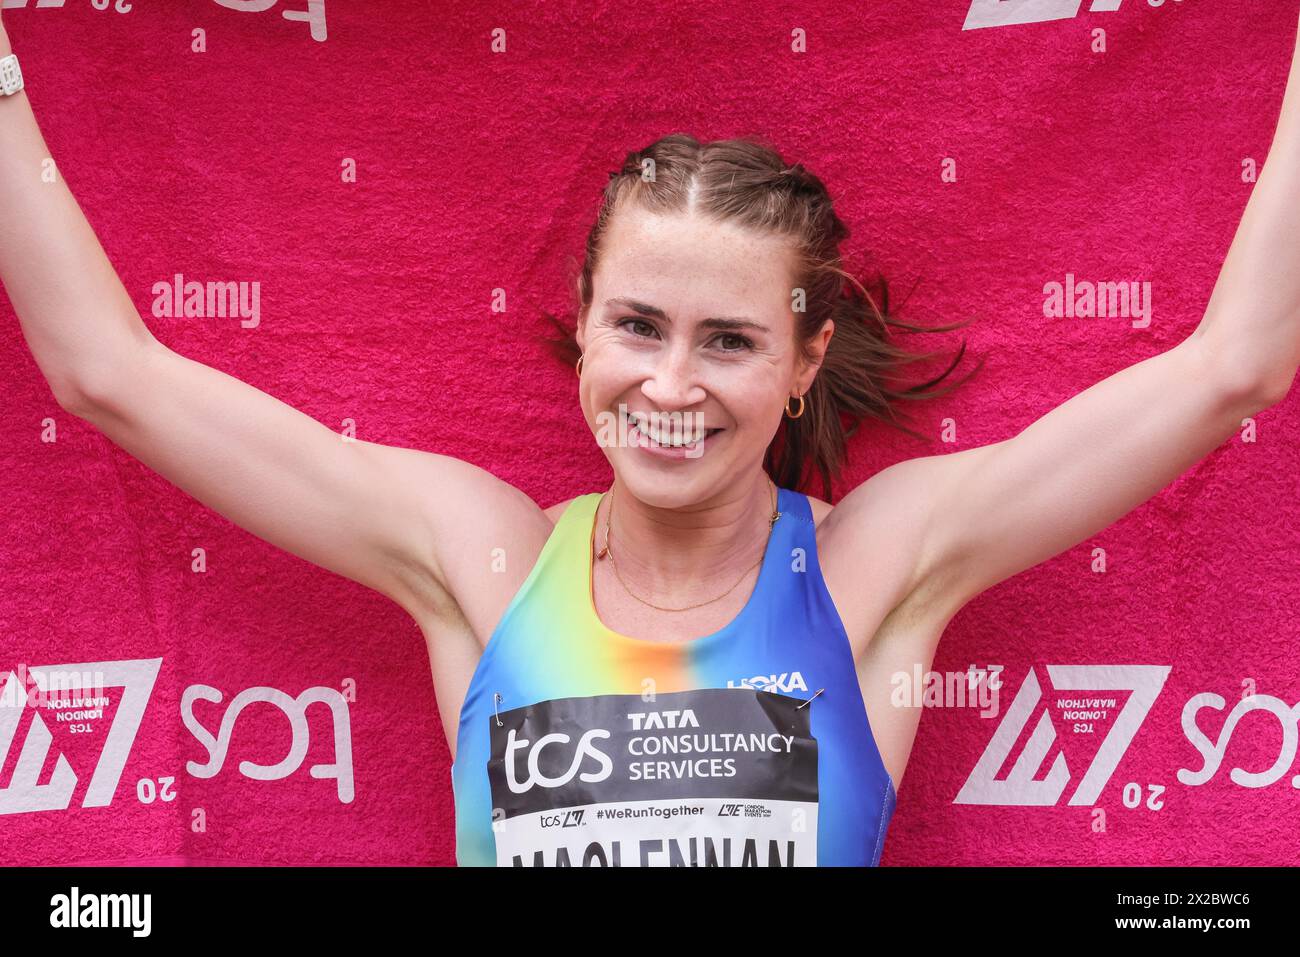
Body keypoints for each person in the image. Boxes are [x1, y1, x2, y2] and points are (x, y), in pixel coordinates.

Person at [3, 11, 1299, 867]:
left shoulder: (875, 567)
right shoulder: (480, 555)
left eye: (729, 341)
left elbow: (1235, 364)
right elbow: (109, 375)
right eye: (638, 324)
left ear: (801, 364)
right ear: (585, 327)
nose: (670, 382)